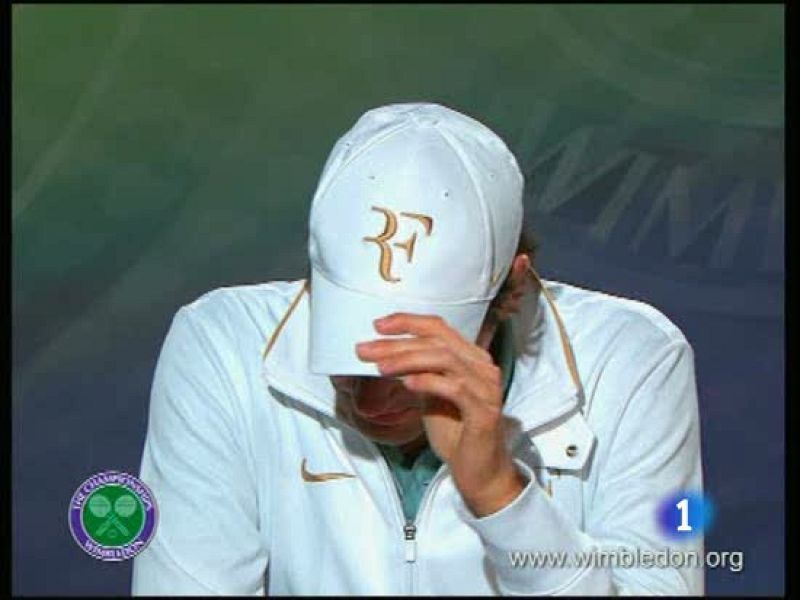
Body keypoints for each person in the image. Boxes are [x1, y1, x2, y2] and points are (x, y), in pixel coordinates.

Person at [131, 103, 703, 595]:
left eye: (416, 363)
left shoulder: (634, 360)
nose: (371, 399)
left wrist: (500, 494)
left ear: (512, 288)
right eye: (348, 350)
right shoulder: (223, 345)